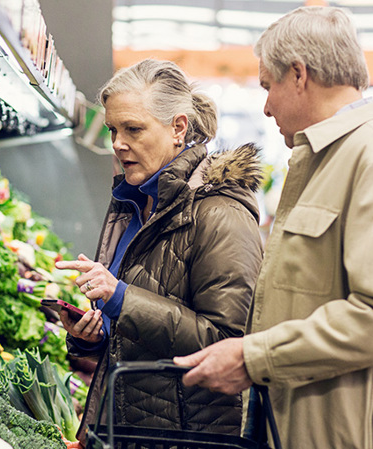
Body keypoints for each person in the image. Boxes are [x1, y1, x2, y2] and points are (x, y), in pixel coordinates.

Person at [173, 6, 373, 449]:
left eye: (269, 86)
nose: (265, 107)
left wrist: (254, 357)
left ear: (299, 75)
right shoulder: (325, 162)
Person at [53, 59, 264, 444]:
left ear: (178, 128)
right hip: (129, 427)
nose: (118, 143)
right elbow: (139, 331)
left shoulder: (221, 214)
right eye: (113, 129)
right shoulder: (132, 201)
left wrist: (120, 298)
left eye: (133, 128)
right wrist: (94, 336)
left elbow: (226, 341)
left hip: (188, 436)